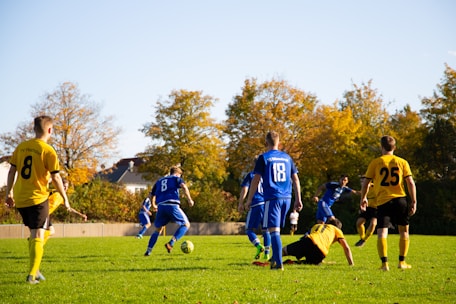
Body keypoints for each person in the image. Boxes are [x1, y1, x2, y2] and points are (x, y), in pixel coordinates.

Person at [5, 115, 71, 284]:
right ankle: (32, 275)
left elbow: (12, 172)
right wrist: (65, 198)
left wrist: (8, 193)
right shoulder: (48, 150)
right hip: (37, 198)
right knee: (38, 233)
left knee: (42, 231)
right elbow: (56, 178)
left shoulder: (21, 147)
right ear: (50, 130)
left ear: (34, 129)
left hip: (21, 197)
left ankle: (36, 268)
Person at [245, 131, 302, 270]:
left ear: (266, 143)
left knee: (273, 231)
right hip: (287, 198)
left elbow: (256, 179)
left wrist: (249, 199)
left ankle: (278, 263)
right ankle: (275, 261)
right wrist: (298, 199)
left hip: (272, 197)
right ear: (279, 142)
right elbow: (295, 179)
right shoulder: (287, 158)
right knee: (276, 230)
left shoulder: (263, 158)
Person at [360, 135, 417, 271]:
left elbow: (366, 183)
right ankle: (401, 262)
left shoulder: (376, 162)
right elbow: (410, 182)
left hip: (383, 201)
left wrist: (363, 197)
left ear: (381, 147)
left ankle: (384, 264)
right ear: (394, 147)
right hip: (400, 200)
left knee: (382, 233)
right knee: (404, 231)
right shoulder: (402, 162)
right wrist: (414, 201)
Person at [144, 165, 194, 256]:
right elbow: (184, 186)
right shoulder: (176, 178)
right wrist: (189, 199)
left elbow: (151, 194)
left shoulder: (159, 181)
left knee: (158, 230)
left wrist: (154, 204)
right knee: (186, 224)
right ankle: (171, 243)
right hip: (172, 205)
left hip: (161, 206)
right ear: (178, 173)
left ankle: (149, 250)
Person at [282, 218, 354, 266]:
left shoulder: (317, 225)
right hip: (321, 252)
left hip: (310, 241)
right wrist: (351, 264)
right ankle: (293, 263)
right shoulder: (337, 230)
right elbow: (346, 247)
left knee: (285, 250)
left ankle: (272, 260)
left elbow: (306, 236)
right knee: (311, 263)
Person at [238, 160, 271, 261]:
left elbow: (245, 189)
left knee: (249, 229)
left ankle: (258, 245)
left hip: (256, 203)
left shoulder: (251, 175)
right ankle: (267, 253)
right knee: (266, 230)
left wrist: (241, 203)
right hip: (267, 203)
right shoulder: (267, 175)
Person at [355, 176, 377, 247]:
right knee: (359, 223)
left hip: (377, 208)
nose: (362, 183)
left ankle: (364, 239)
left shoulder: (375, 186)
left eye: (363, 181)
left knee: (373, 224)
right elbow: (361, 194)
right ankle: (362, 238)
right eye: (361, 182)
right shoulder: (364, 189)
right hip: (368, 207)